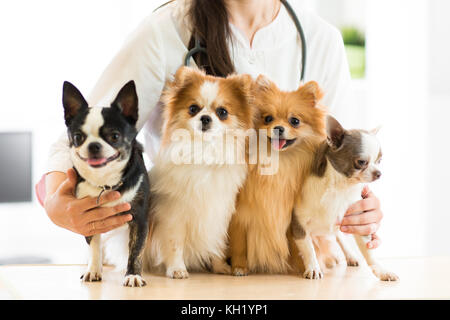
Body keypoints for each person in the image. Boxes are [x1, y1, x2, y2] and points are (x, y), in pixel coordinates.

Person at [38, 0, 383, 249]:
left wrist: (360, 210)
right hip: (188, 250)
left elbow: (343, 160)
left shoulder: (321, 39)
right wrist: (58, 206)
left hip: (285, 255)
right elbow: (74, 143)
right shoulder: (165, 31)